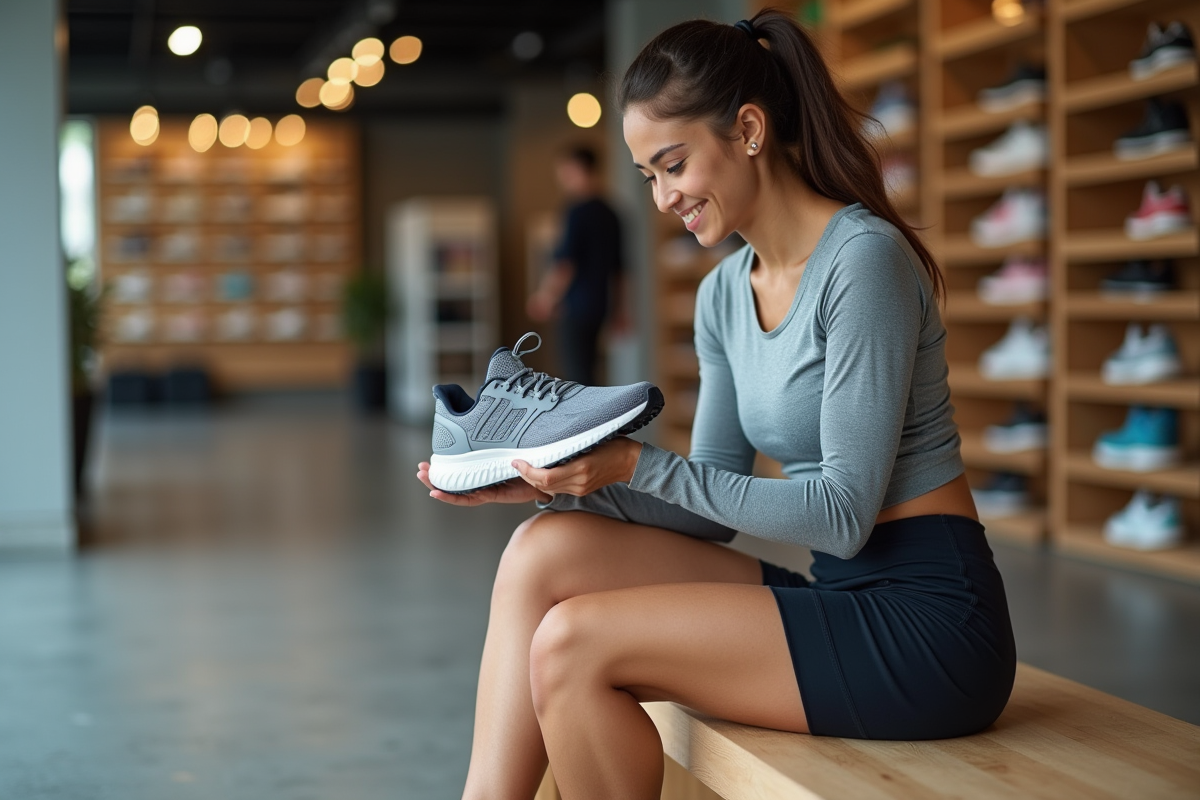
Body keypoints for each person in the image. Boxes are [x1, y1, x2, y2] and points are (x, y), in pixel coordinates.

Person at [418, 11, 1016, 800]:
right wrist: (555, 483)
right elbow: (707, 513)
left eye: (673, 164)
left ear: (749, 130)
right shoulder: (724, 294)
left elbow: (842, 516)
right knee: (542, 548)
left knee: (572, 643)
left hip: (930, 627)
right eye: (647, 176)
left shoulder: (862, 262)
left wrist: (634, 464)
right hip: (837, 595)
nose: (664, 197)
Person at [526, 145, 626, 385]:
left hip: (575, 306)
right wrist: (621, 311)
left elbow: (565, 263)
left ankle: (583, 412)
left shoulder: (576, 211)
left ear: (579, 169)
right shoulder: (612, 213)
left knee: (575, 376)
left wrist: (545, 297)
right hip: (600, 305)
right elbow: (620, 270)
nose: (562, 180)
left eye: (565, 172)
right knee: (590, 372)